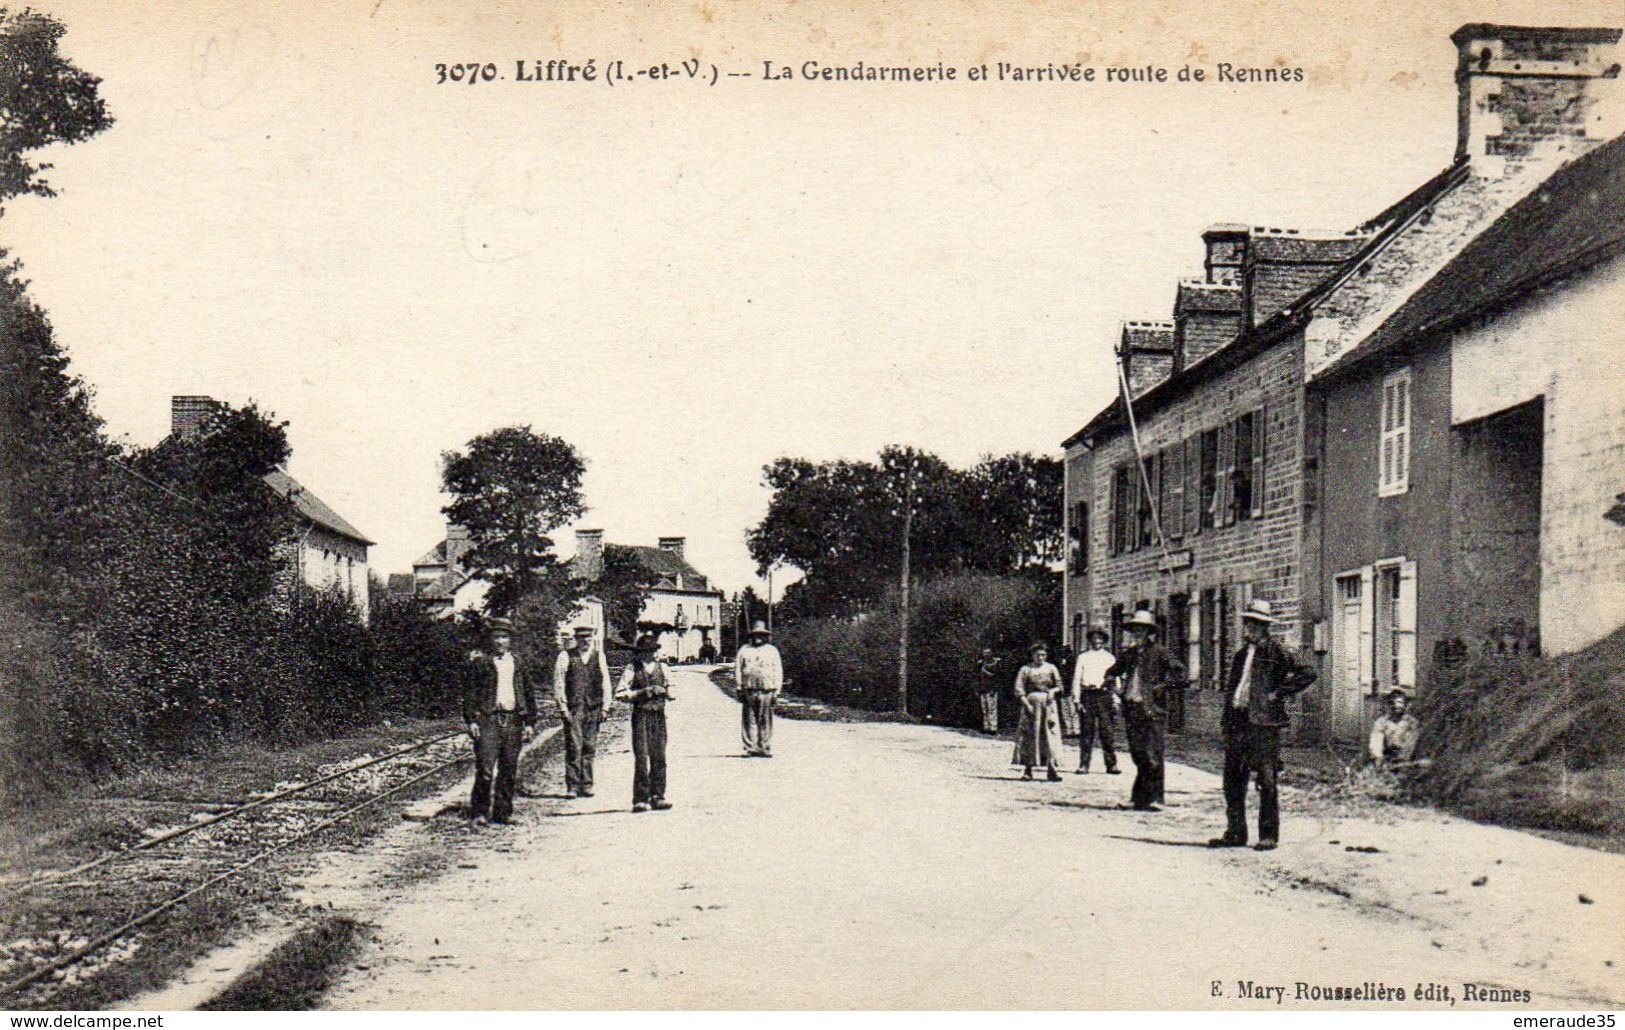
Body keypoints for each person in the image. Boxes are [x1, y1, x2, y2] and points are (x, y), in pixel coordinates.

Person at [1209, 599, 1317, 852]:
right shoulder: (1239, 655)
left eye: (1255, 624)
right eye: (1247, 623)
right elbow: (1233, 690)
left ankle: (1268, 836)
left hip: (1264, 724)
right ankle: (1235, 832)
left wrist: (1279, 693)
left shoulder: (1278, 651)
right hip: (1238, 722)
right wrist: (1226, 721)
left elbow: (1308, 672)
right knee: (1232, 781)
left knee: (1267, 780)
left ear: (1264, 627)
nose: (1249, 629)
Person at [1107, 609, 1186, 811]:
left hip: (1152, 710)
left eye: (1142, 629)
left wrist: (1163, 686)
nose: (1138, 633)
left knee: (1153, 755)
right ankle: (1139, 798)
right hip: (1132, 708)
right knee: (1138, 754)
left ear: (1149, 632)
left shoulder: (1160, 652)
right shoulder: (1130, 654)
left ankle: (1156, 798)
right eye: (1135, 630)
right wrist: (1112, 684)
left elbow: (1181, 673)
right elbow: (1113, 671)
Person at [462, 618, 538, 825]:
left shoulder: (518, 663)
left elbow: (529, 694)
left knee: (509, 768)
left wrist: (530, 722)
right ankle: (479, 812)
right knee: (486, 769)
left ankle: (503, 813)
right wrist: (472, 721)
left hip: (513, 720)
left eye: (504, 637)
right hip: (489, 719)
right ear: (491, 640)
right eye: (496, 637)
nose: (500, 641)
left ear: (510, 640)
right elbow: (470, 694)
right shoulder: (482, 663)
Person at [615, 633, 674, 812]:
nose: (647, 655)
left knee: (659, 756)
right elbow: (620, 693)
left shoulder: (663, 668)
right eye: (643, 652)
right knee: (641, 756)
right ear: (638, 653)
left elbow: (673, 691)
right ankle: (640, 798)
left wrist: (664, 690)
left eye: (650, 651)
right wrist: (640, 693)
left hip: (658, 715)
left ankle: (658, 795)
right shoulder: (632, 669)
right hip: (641, 715)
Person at [553, 625, 612, 798]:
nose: (585, 641)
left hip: (593, 707)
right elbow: (559, 684)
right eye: (581, 638)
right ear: (576, 639)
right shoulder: (565, 656)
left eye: (588, 637)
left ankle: (586, 784)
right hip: (574, 708)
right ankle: (572, 786)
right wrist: (563, 708)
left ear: (592, 638)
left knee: (589, 746)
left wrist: (606, 707)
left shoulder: (598, 656)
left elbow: (605, 682)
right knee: (573, 746)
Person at [1069, 624, 1120, 775]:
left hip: (1104, 696)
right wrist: (1077, 700)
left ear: (1104, 641)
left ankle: (1111, 765)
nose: (1097, 641)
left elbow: (1115, 680)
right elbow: (1077, 678)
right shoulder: (1083, 657)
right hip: (1088, 696)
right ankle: (1084, 765)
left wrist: (1116, 700)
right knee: (1087, 732)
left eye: (1100, 638)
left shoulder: (1109, 658)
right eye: (1094, 638)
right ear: (1090, 640)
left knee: (1107, 732)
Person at [1011, 643, 1065, 782]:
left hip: (1048, 705)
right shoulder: (1025, 669)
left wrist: (1053, 691)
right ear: (1032, 655)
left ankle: (1052, 770)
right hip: (1032, 704)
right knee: (1030, 736)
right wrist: (1027, 704)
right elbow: (1019, 689)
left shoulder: (1051, 668)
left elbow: (1059, 686)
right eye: (1037, 655)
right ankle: (1028, 770)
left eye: (1043, 655)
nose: (1040, 658)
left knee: (1050, 736)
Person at [734, 620, 782, 757]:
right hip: (749, 689)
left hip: (767, 689)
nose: (758, 637)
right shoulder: (744, 650)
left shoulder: (772, 651)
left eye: (761, 635)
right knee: (749, 719)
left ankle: (764, 747)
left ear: (766, 636)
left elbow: (778, 671)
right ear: (751, 636)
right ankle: (750, 747)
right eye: (756, 635)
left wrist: (777, 691)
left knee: (766, 719)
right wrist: (739, 687)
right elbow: (738, 669)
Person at [1368, 688, 1421, 768]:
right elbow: (1376, 741)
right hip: (1387, 758)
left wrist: (1403, 760)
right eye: (1393, 702)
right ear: (1389, 704)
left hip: (1407, 760)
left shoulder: (1411, 722)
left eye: (1401, 702)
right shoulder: (1381, 722)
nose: (1398, 705)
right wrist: (1378, 758)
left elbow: (1411, 742)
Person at [974, 647, 1002, 734]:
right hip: (983, 689)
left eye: (988, 653)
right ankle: (986, 727)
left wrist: (994, 689)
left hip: (992, 689)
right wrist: (978, 689)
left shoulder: (996, 663)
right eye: (984, 653)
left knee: (992, 709)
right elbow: (977, 677)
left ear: (991, 653)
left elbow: (997, 677)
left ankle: (993, 728)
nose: (986, 655)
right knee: (984, 709)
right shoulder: (981, 663)